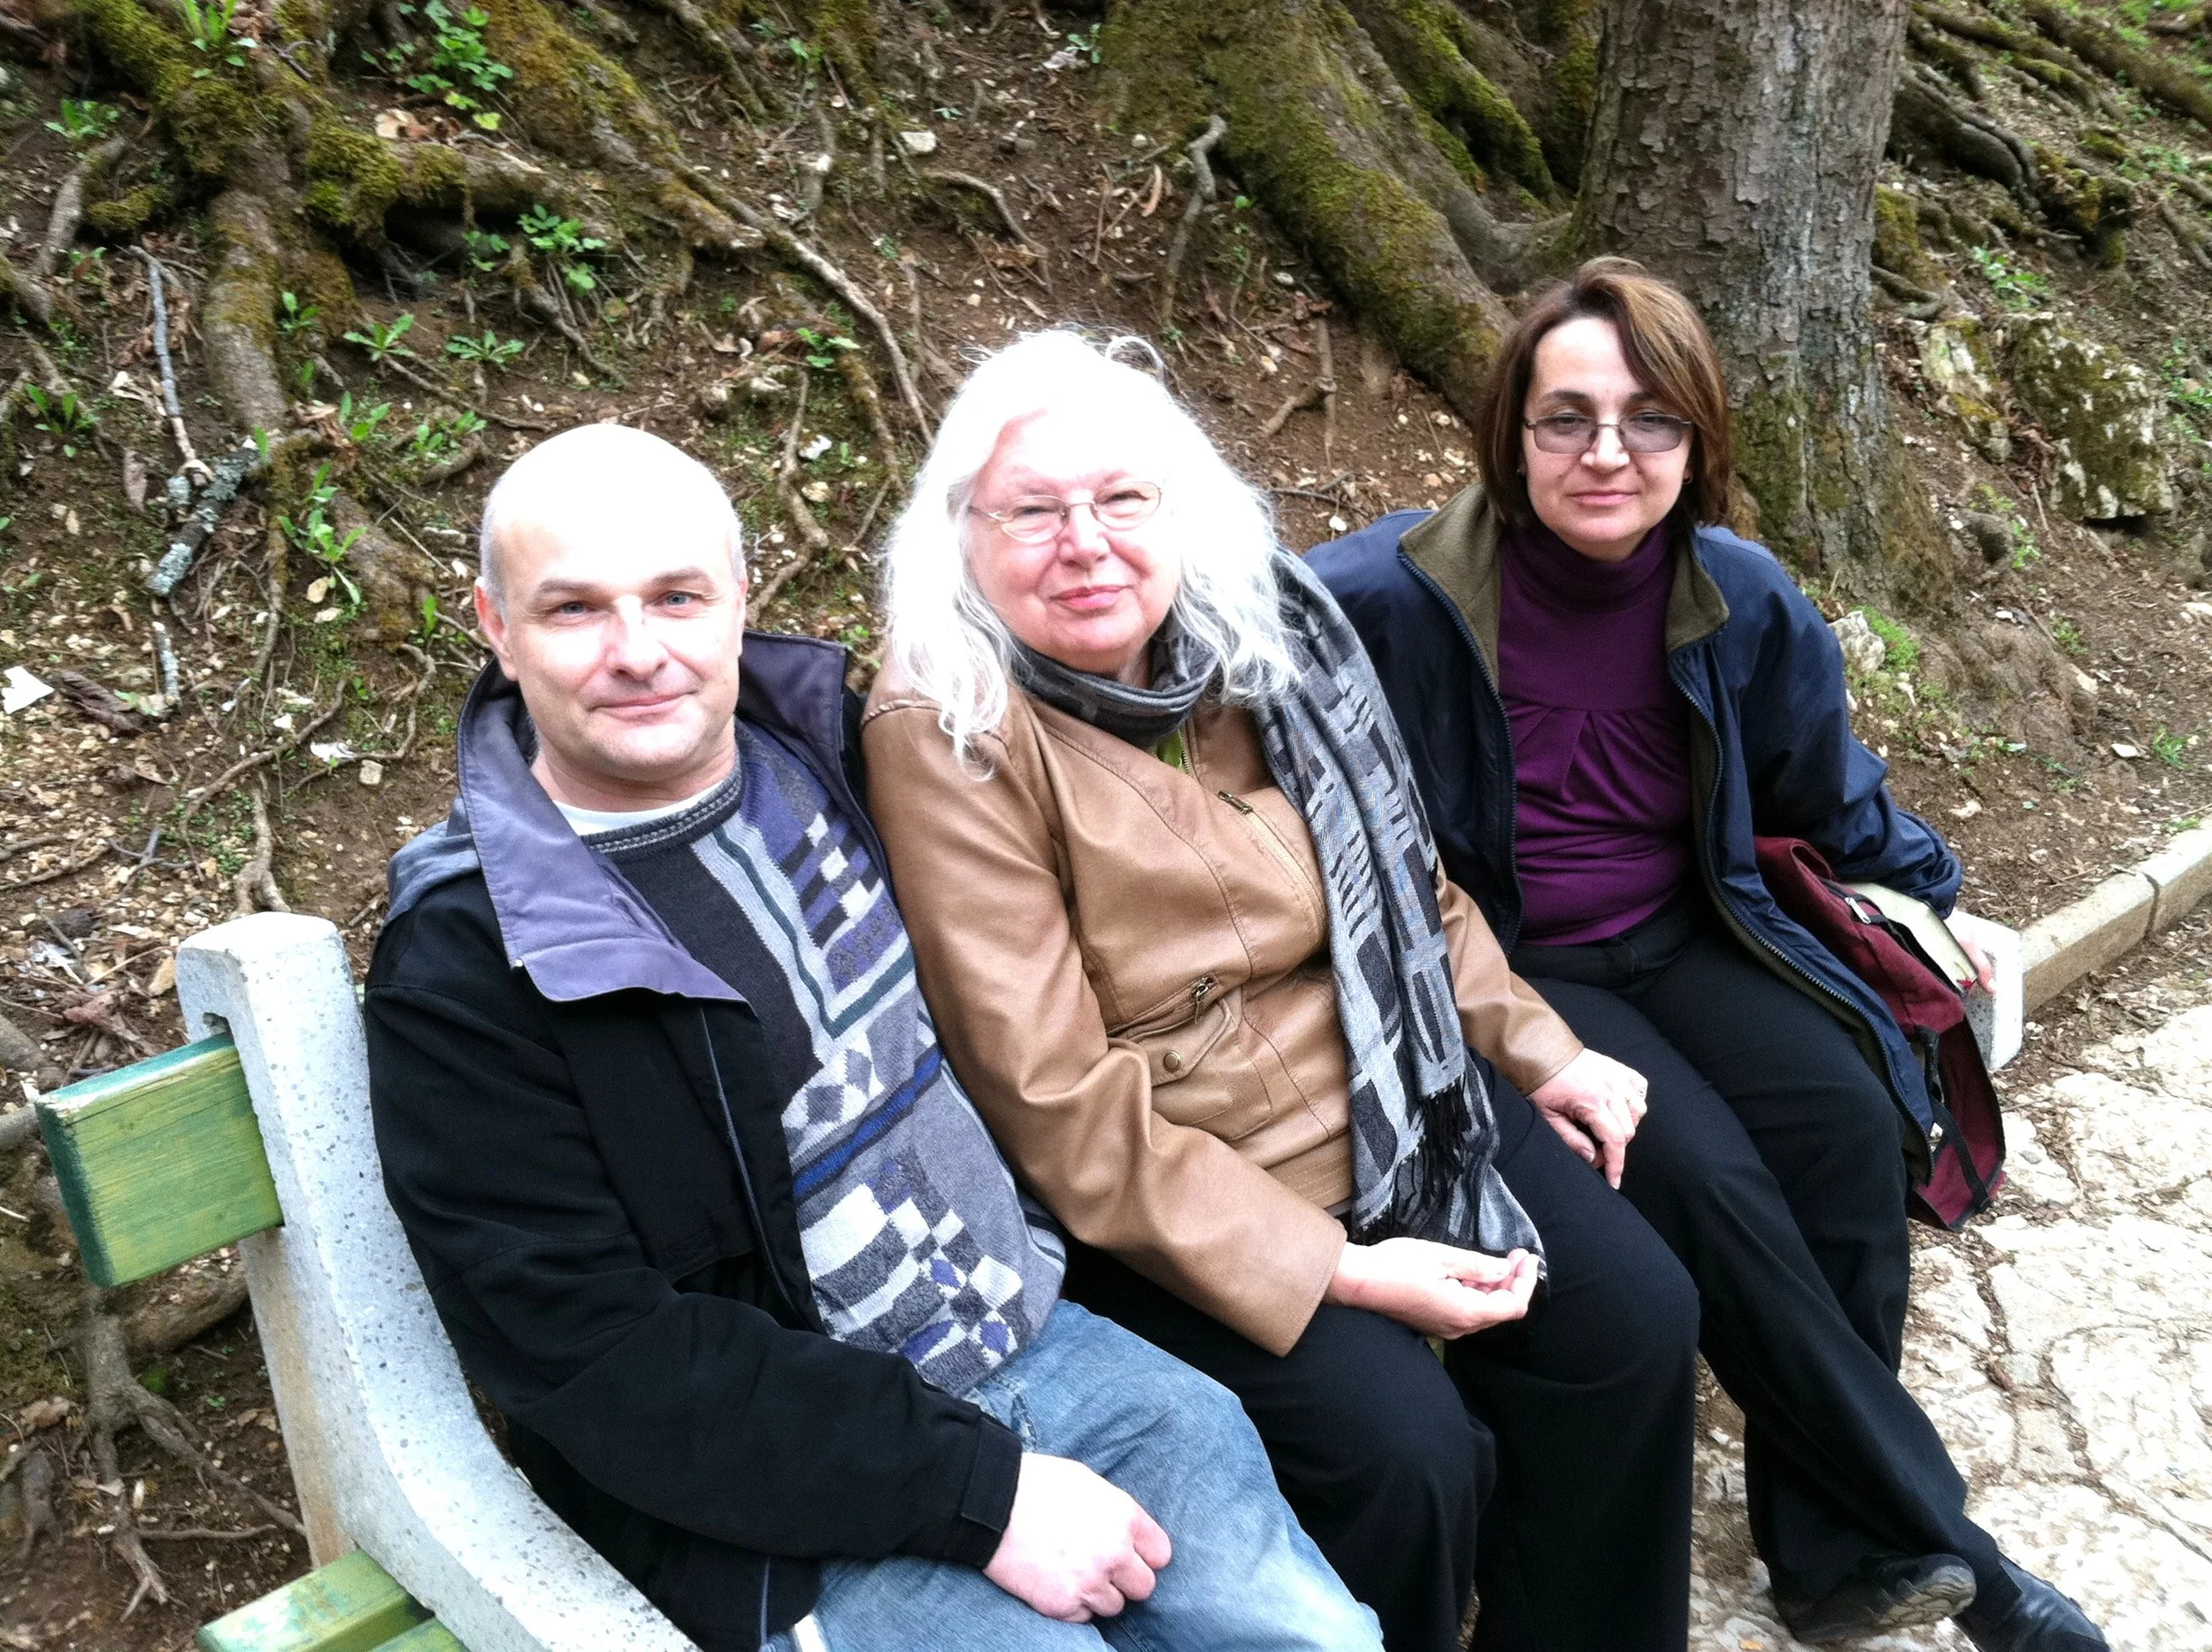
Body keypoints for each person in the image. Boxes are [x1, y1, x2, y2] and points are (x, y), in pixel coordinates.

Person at [362, 423, 1385, 1652]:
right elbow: (596, 1357)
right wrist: (981, 1489)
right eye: (574, 609)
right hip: (775, 1506)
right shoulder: (474, 958)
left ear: (742, 599)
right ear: (495, 624)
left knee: (1320, 1634)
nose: (638, 651)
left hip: (1035, 1332)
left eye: (678, 596)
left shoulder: (830, 753)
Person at [1308, 258, 2108, 1652]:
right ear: (1511, 429)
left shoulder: (1737, 592)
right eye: (1567, 416)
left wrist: (1935, 892)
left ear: (1698, 437)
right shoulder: (1394, 593)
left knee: (1852, 1123)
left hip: (1688, 933)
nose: (1607, 451)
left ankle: (1840, 1546)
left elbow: (1821, 785)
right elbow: (1240, 665)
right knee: (1710, 1177)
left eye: (1649, 418)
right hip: (1510, 968)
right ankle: (1954, 1543)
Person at [861, 331, 1704, 1652]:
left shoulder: (1258, 635)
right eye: (1031, 511)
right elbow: (1057, 1105)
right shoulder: (952, 725)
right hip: (1184, 1188)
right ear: (961, 534)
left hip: (1396, 1094)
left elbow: (1410, 894)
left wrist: (1541, 1050)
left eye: (1122, 499)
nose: (1084, 542)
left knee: (1632, 1325)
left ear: (1179, 509)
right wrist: (1352, 1274)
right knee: (1406, 1456)